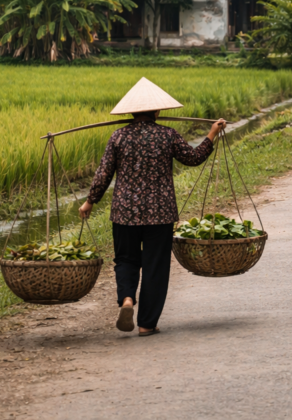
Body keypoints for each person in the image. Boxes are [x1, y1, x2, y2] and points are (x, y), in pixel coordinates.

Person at [79, 77, 227, 336]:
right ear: (158, 111)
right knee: (155, 265)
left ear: (132, 112)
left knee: (125, 259)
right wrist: (212, 133)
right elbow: (192, 158)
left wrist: (90, 200)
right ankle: (147, 324)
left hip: (125, 212)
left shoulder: (119, 136)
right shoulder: (167, 135)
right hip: (160, 213)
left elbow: (104, 173)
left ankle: (127, 299)